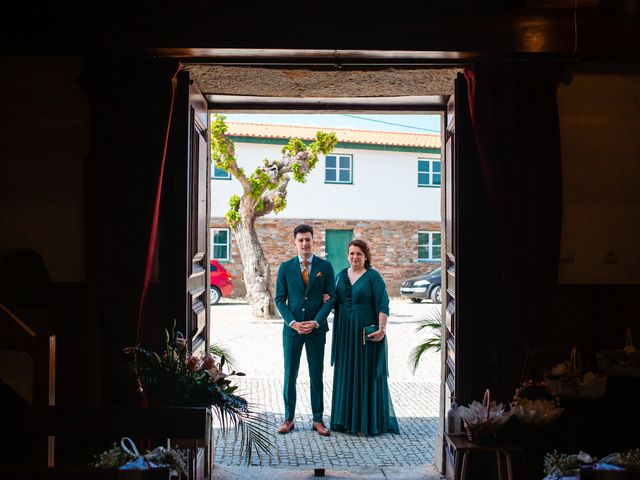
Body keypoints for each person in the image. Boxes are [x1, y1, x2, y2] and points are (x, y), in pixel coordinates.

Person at [330, 239, 399, 436]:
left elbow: (383, 305)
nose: (354, 257)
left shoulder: (373, 277)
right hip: (344, 333)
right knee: (347, 373)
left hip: (365, 335)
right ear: (347, 255)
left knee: (364, 374)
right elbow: (335, 302)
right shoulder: (340, 276)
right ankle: (345, 421)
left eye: (358, 254)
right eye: (351, 253)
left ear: (366, 256)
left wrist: (382, 329)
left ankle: (364, 423)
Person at [275, 224, 336, 436]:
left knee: (316, 375)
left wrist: (317, 321)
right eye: (300, 240)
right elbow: (280, 300)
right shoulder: (285, 267)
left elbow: (331, 298)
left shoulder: (325, 267)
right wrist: (292, 322)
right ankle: (288, 418)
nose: (304, 243)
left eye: (308, 239)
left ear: (313, 241)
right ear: (295, 243)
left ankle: (318, 419)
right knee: (289, 375)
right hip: (292, 330)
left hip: (316, 330)